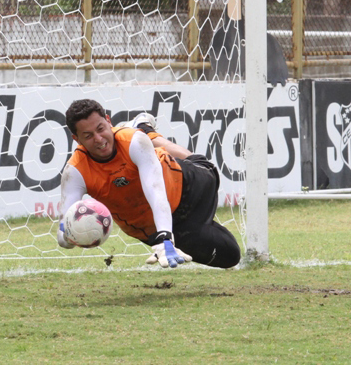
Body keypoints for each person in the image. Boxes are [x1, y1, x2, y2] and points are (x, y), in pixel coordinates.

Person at [58, 99, 241, 269]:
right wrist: (73, 235)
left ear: (108, 121)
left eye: (101, 129)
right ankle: (193, 230)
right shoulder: (74, 172)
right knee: (230, 256)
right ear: (77, 139)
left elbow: (155, 190)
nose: (98, 139)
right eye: (88, 135)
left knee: (206, 167)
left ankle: (146, 131)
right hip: (151, 227)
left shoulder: (133, 142)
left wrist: (165, 237)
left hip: (186, 188)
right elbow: (63, 234)